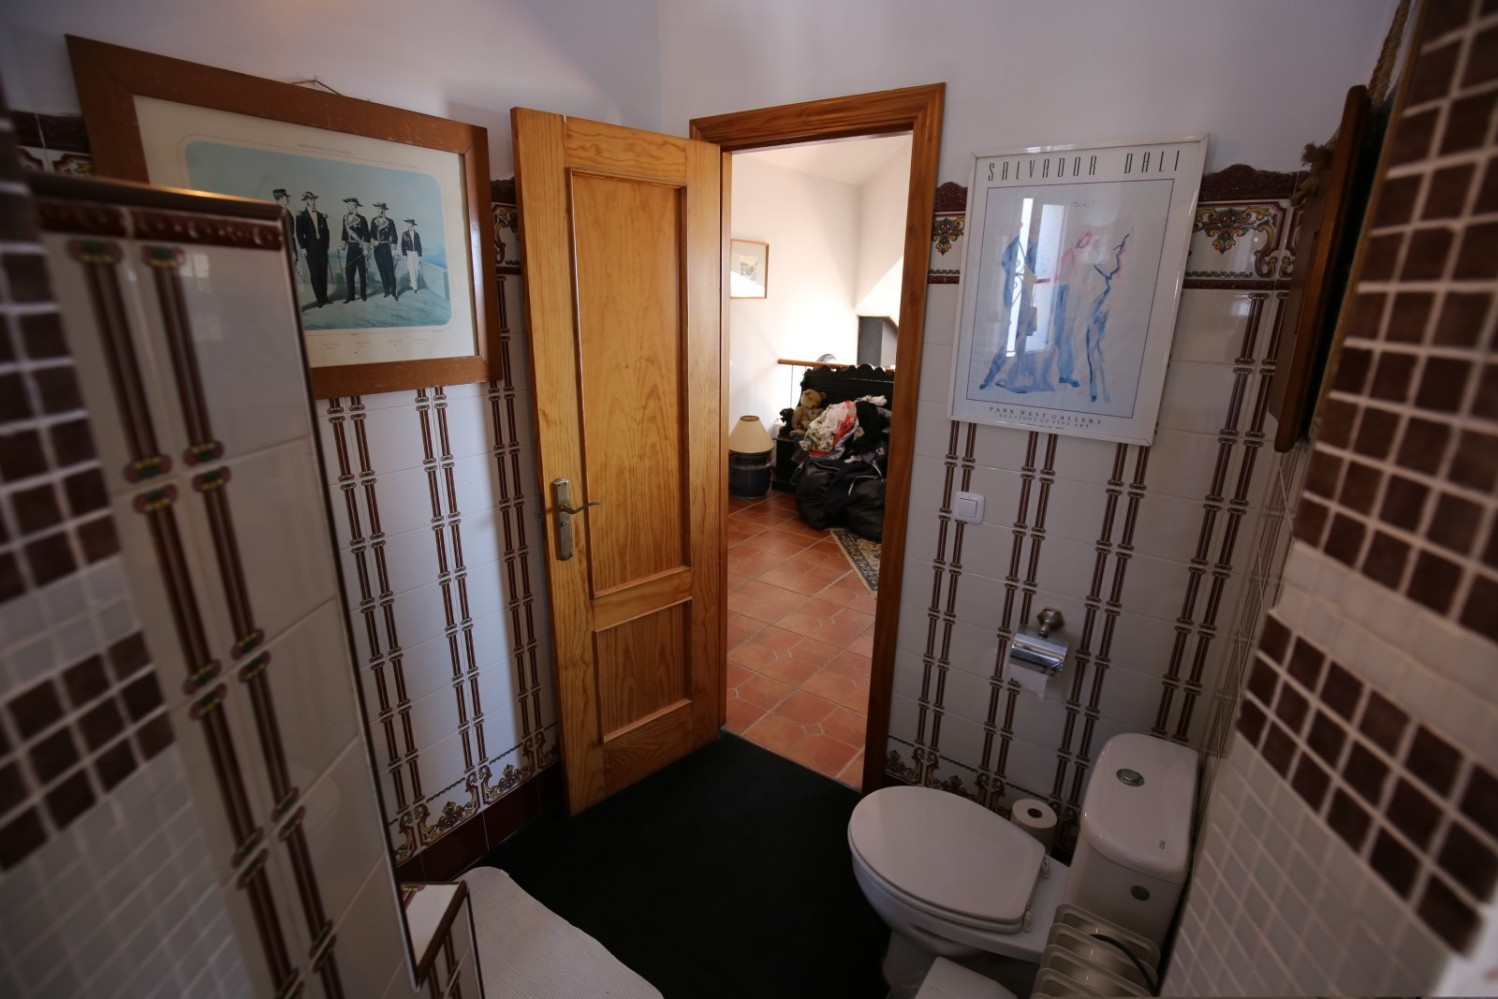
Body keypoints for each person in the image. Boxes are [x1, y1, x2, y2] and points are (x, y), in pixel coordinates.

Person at [295, 192, 330, 307]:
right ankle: (319, 299)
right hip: (310, 246)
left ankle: (325, 298)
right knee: (315, 273)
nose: (313, 202)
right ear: (306, 201)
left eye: (314, 199)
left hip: (322, 246)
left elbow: (326, 231)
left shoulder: (321, 215)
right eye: (311, 200)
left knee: (323, 272)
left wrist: (326, 246)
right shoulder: (301, 215)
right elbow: (299, 233)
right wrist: (303, 247)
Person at [341, 197, 370, 303]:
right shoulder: (345, 218)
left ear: (355, 206)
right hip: (350, 249)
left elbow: (367, 236)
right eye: (347, 204)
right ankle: (350, 296)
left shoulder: (362, 219)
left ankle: (363, 294)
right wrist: (342, 246)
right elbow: (344, 234)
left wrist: (365, 249)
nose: (348, 206)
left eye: (351, 204)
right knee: (349, 273)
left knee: (362, 273)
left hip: (360, 248)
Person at [369, 201, 400, 300]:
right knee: (382, 270)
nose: (380, 211)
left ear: (384, 210)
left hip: (386, 247)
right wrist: (373, 242)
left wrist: (393, 250)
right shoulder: (373, 221)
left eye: (382, 209)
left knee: (390, 270)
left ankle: (394, 292)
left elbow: (394, 236)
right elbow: (371, 234)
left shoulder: (390, 221)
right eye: (378, 209)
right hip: (377, 249)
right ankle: (386, 290)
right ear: (377, 210)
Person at [401, 218, 422, 295]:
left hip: (416, 253)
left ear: (412, 225)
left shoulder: (417, 234)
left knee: (416, 270)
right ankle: (415, 287)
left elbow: (419, 244)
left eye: (409, 223)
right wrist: (404, 254)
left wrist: (420, 255)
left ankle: (413, 283)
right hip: (409, 253)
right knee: (412, 270)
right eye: (407, 223)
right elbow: (402, 245)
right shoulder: (404, 234)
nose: (408, 225)